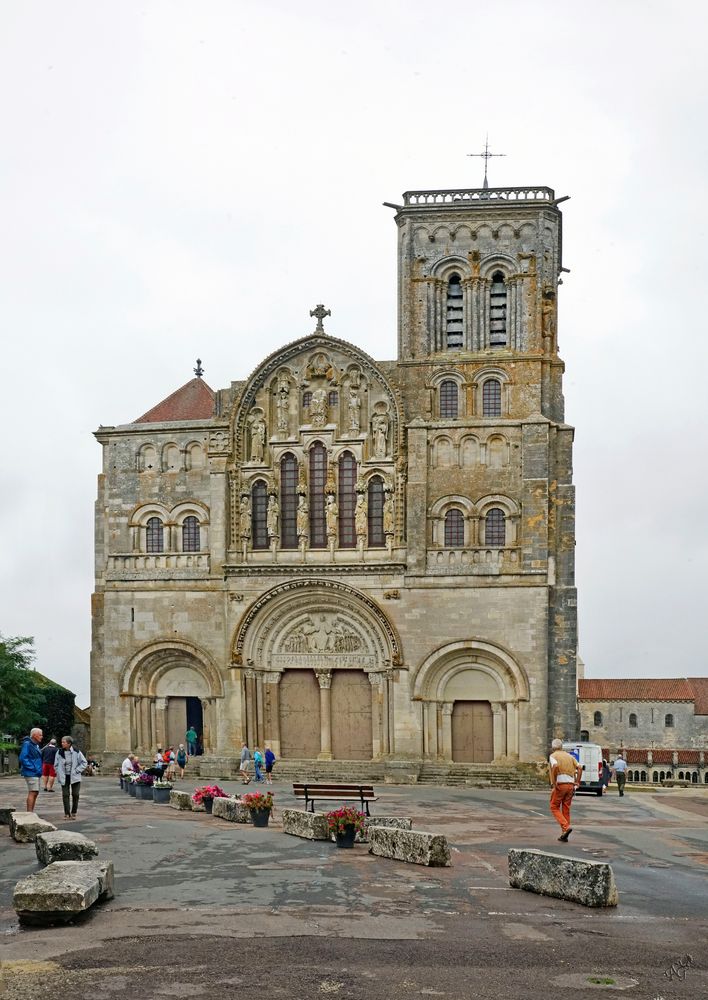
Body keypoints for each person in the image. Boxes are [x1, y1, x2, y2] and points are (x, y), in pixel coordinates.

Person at [548, 738, 583, 842]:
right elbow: (580, 767)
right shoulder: (570, 756)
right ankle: (564, 833)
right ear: (561, 746)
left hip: (561, 784)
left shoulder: (553, 756)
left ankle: (566, 827)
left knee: (554, 806)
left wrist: (554, 782)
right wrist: (577, 782)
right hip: (571, 784)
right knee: (566, 808)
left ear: (553, 747)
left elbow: (555, 766)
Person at [54, 735, 88, 820]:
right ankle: (67, 813)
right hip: (64, 776)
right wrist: (58, 772)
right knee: (65, 794)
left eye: (64, 742)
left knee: (75, 794)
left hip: (75, 776)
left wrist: (77, 770)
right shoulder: (59, 752)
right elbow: (56, 764)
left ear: (69, 743)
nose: (62, 743)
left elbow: (84, 763)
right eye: (61, 742)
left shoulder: (77, 752)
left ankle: (74, 812)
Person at [19, 727, 43, 812]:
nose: (42, 736)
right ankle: (29, 813)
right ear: (34, 735)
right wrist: (33, 768)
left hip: (35, 772)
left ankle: (30, 812)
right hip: (31, 772)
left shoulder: (34, 745)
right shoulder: (28, 744)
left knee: (35, 792)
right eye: (40, 735)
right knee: (33, 792)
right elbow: (23, 758)